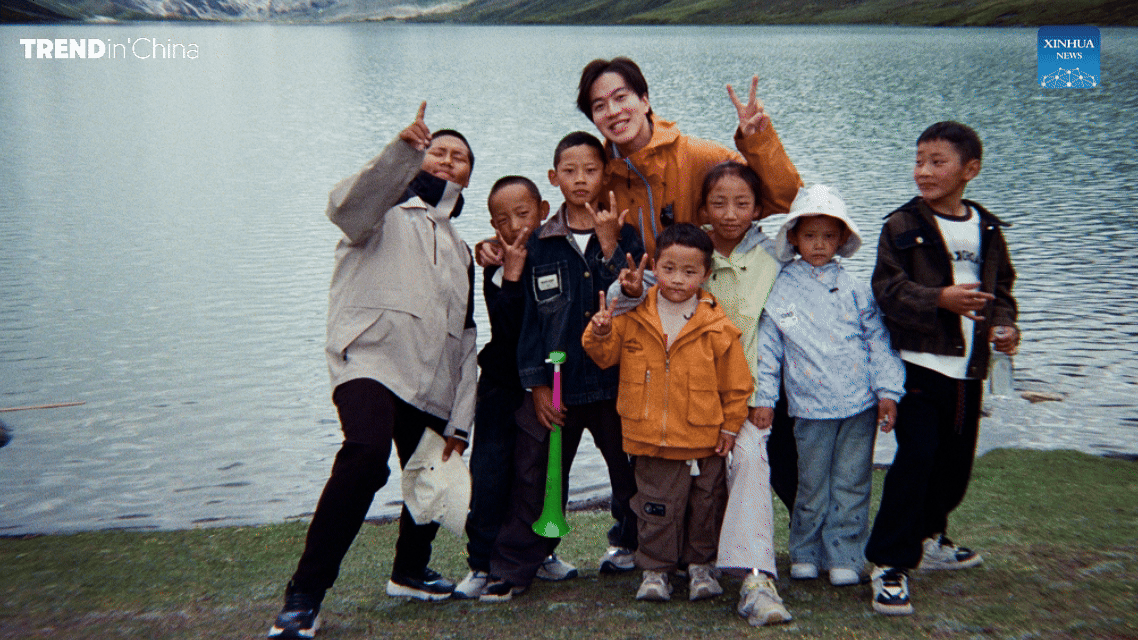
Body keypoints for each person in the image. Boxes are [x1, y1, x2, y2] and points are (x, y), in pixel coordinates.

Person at [268, 103, 477, 639]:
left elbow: (466, 338)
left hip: (432, 383)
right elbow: (344, 206)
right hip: (370, 362)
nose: (447, 161)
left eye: (459, 157)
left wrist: (460, 419)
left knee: (429, 474)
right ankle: (303, 598)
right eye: (437, 152)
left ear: (468, 177)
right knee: (365, 456)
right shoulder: (380, 213)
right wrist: (399, 155)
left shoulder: (463, 253)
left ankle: (409, 572)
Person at [865, 121, 1019, 616]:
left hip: (968, 371)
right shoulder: (900, 226)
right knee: (916, 458)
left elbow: (1002, 290)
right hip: (918, 366)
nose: (924, 171)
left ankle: (931, 537)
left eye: (937, 162)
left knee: (954, 466)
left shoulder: (987, 227)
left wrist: (1004, 325)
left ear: (970, 170)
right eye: (918, 161)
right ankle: (889, 563)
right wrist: (940, 299)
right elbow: (887, 292)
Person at [482, 132, 644, 601]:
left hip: (615, 382)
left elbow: (634, 301)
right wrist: (536, 385)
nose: (580, 179)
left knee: (628, 472)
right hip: (558, 387)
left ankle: (635, 547)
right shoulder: (539, 243)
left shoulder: (624, 233)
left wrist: (611, 249)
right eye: (569, 171)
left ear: (606, 175)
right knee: (537, 475)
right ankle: (517, 566)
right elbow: (529, 323)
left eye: (591, 170)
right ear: (554, 178)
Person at [583, 223, 752, 603]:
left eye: (689, 271)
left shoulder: (717, 325)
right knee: (655, 509)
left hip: (704, 437)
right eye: (669, 269)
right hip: (650, 438)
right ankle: (656, 571)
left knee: (705, 506)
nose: (677, 279)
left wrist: (730, 427)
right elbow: (604, 356)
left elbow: (736, 384)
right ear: (654, 268)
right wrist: (601, 331)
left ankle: (701, 567)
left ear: (705, 274)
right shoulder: (634, 315)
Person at [753, 184, 906, 595]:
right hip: (809, 407)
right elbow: (769, 349)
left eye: (828, 236)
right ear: (793, 237)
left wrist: (888, 391)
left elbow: (878, 341)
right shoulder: (781, 287)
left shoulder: (856, 287)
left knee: (852, 482)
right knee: (811, 483)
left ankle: (846, 556)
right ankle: (805, 552)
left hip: (859, 404)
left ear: (842, 239)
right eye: (809, 235)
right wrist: (764, 399)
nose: (819, 244)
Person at [455, 176, 580, 600]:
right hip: (502, 385)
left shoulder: (556, 254)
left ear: (543, 211)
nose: (513, 226)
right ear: (492, 225)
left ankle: (542, 551)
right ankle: (481, 562)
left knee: (543, 471)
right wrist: (509, 274)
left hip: (548, 381)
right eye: (502, 219)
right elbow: (508, 330)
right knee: (490, 472)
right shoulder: (495, 264)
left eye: (523, 214)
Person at [576, 57, 801, 257]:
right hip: (635, 289)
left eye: (621, 97)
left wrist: (758, 141)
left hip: (706, 287)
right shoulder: (598, 176)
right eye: (599, 106)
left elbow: (789, 201)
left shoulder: (700, 157)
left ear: (645, 101)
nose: (613, 111)